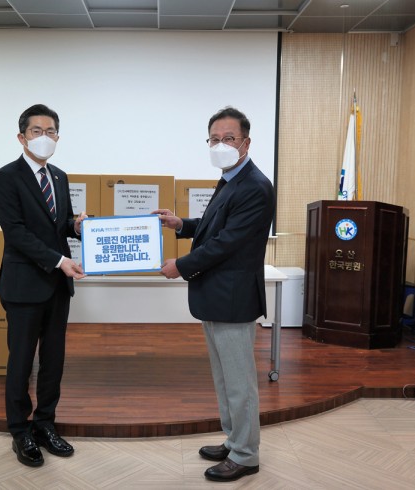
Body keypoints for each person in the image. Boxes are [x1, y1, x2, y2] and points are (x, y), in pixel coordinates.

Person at [154, 106, 275, 483]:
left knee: (239, 382)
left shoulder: (255, 186)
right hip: (217, 295)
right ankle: (234, 440)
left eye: (229, 138)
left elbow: (226, 243)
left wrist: (181, 265)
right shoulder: (231, 179)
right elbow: (213, 227)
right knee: (225, 378)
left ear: (246, 143)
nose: (220, 145)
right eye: (214, 139)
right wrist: (181, 224)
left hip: (233, 299)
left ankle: (246, 455)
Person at [0, 104, 87, 467]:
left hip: (57, 286)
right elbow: (16, 233)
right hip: (23, 285)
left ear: (57, 137)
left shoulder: (59, 176)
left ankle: (45, 423)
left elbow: (59, 224)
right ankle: (20, 431)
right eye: (37, 131)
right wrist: (60, 261)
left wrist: (76, 226)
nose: (44, 137)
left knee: (53, 360)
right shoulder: (5, 177)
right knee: (21, 361)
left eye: (51, 132)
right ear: (22, 137)